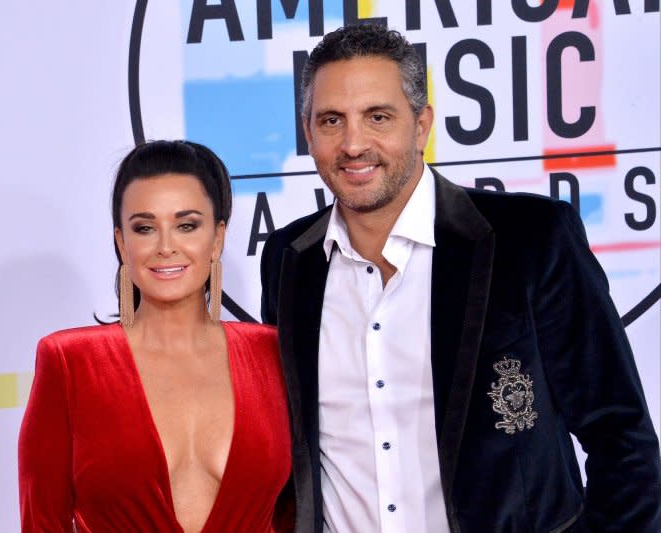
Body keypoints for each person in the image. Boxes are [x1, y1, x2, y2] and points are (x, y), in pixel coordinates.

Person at [260, 24, 661, 533]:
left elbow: (620, 435)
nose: (353, 143)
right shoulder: (289, 261)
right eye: (332, 120)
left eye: (377, 117)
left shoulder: (531, 240)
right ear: (308, 131)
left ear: (422, 124)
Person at [19, 140, 292, 532]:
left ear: (217, 239)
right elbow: (42, 522)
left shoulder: (273, 354)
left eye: (186, 225)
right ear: (121, 243)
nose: (165, 247)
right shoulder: (70, 363)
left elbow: (297, 510)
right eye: (145, 228)